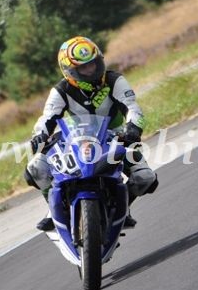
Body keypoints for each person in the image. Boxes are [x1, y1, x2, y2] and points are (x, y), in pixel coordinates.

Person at [24, 36, 158, 231]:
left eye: (93, 64)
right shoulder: (61, 90)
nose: (91, 70)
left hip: (115, 137)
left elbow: (132, 108)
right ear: (69, 71)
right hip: (74, 139)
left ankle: (121, 209)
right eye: (83, 68)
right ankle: (54, 209)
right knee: (35, 169)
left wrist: (133, 127)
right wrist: (40, 135)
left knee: (145, 177)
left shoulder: (114, 80)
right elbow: (47, 117)